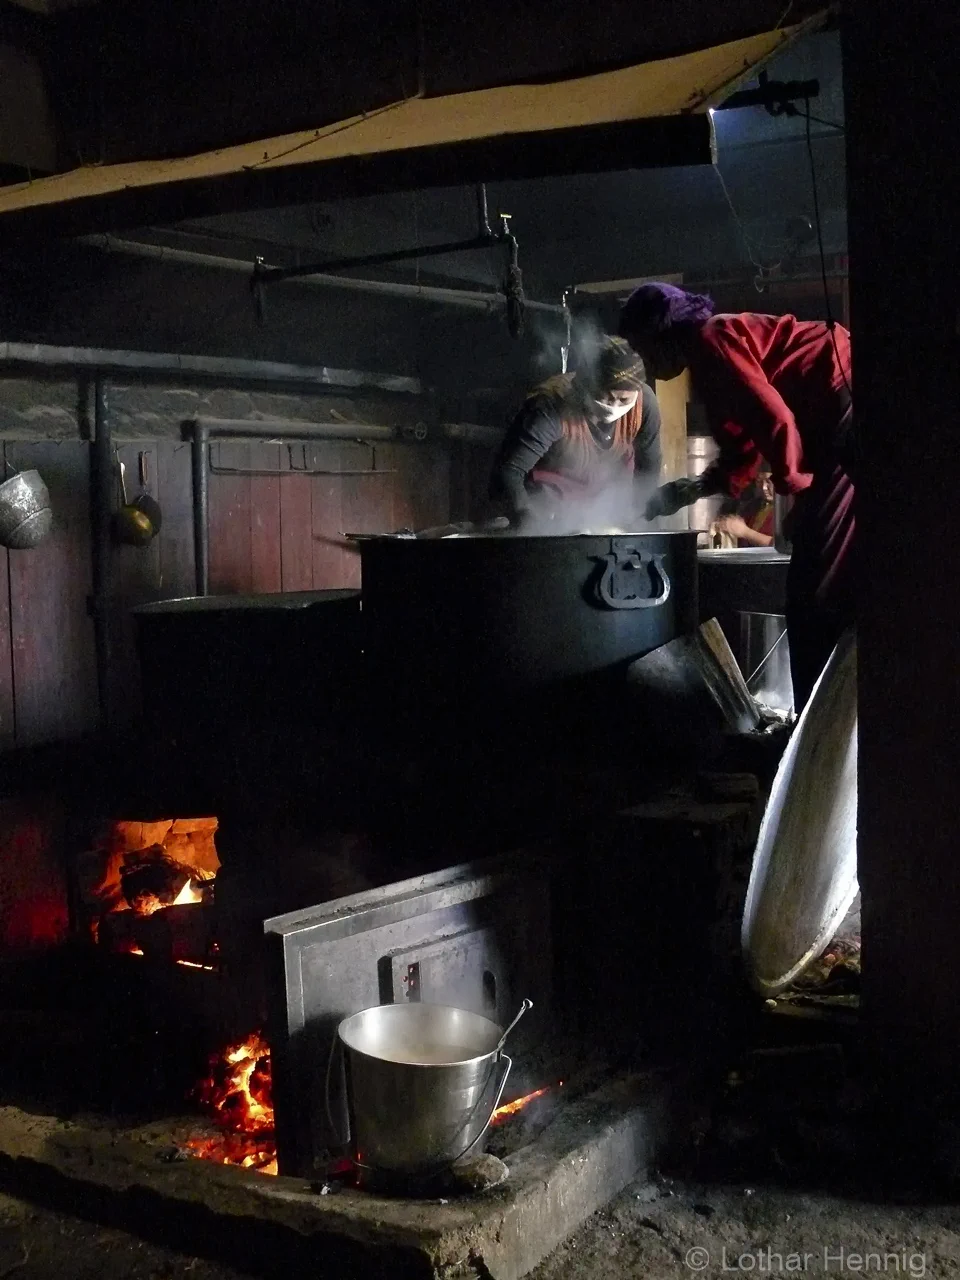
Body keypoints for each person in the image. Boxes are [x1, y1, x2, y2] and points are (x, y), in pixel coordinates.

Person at [618, 283, 854, 710]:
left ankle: (812, 724)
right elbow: (740, 450)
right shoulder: (709, 366)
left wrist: (796, 495)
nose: (646, 362)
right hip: (830, 419)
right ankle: (814, 716)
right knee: (817, 586)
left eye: (645, 348)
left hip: (843, 403)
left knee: (815, 592)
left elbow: (777, 419)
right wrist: (683, 492)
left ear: (664, 331)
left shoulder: (712, 338)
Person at [490, 335, 662, 532]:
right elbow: (510, 471)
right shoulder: (550, 406)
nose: (613, 406)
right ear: (585, 385)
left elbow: (648, 471)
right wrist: (529, 521)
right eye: (603, 396)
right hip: (550, 509)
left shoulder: (644, 405)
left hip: (605, 509)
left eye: (623, 400)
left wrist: (637, 517)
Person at [712, 467, 775, 548]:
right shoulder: (753, 506)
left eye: (769, 482)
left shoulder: (788, 509)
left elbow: (783, 546)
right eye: (759, 481)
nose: (764, 488)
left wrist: (745, 532)